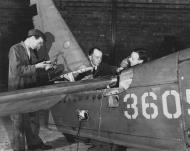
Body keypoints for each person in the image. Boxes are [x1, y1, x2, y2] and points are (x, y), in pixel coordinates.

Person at [8, 29, 53, 151]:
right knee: (18, 123)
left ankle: (35, 144)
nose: (40, 47)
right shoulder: (15, 49)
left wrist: (44, 66)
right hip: (17, 91)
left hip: (30, 90)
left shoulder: (32, 52)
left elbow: (32, 69)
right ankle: (19, 148)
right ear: (33, 38)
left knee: (33, 119)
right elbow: (18, 70)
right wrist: (37, 66)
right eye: (39, 43)